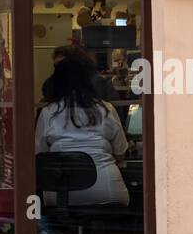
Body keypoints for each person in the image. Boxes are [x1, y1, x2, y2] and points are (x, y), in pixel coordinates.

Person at [36, 56, 130, 206]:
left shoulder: (48, 113)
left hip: (61, 193)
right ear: (90, 80)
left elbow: (41, 155)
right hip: (106, 188)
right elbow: (120, 153)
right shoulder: (106, 109)